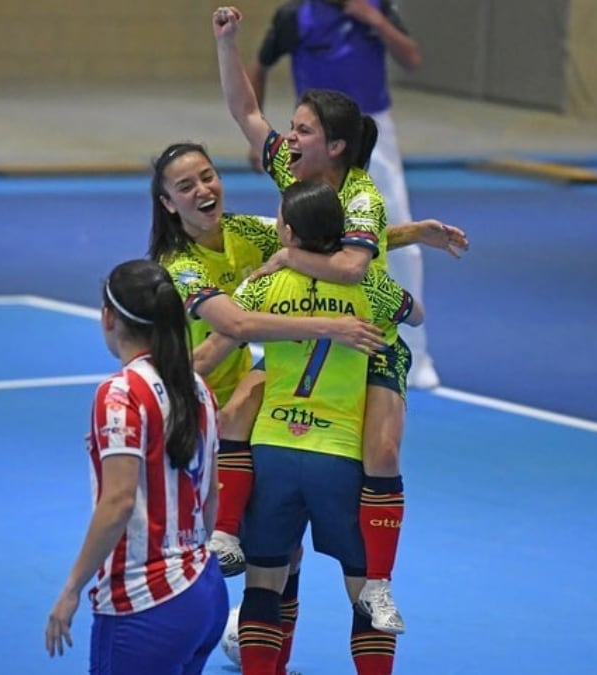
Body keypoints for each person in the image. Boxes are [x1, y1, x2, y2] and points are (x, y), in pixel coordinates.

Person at [215, 5, 459, 637]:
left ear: (337, 146)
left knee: (379, 451)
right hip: (304, 327)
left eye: (302, 129)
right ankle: (228, 541)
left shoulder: (360, 196)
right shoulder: (291, 169)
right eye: (291, 127)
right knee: (239, 413)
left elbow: (351, 266)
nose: (288, 138)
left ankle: (376, 583)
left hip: (367, 335)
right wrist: (228, 42)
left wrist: (280, 256)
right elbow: (244, 112)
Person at [148, 141, 453, 585]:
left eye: (207, 176)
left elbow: (321, 238)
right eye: (185, 185)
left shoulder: (247, 232)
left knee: (278, 547)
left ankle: (261, 637)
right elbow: (236, 324)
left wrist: (410, 234)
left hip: (254, 403)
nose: (202, 189)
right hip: (196, 399)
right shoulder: (178, 264)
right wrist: (331, 326)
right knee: (202, 545)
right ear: (168, 204)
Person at [204, 179, 423, 675]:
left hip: (272, 452)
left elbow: (225, 337)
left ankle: (226, 536)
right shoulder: (370, 287)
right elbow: (416, 314)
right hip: (339, 456)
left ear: (286, 231)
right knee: (365, 590)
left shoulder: (262, 284)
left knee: (263, 584)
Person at [44, 260, 228, 675]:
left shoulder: (121, 393)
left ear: (109, 318)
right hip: (204, 589)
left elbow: (119, 502)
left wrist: (72, 589)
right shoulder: (199, 389)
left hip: (146, 604)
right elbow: (212, 494)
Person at [245, 0, 440, 388]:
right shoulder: (294, 16)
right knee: (302, 232)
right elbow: (260, 66)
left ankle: (416, 353)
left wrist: (374, 20)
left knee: (392, 234)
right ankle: (293, 327)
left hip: (373, 132)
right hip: (320, 143)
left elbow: (411, 57)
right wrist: (259, 143)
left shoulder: (376, 5)